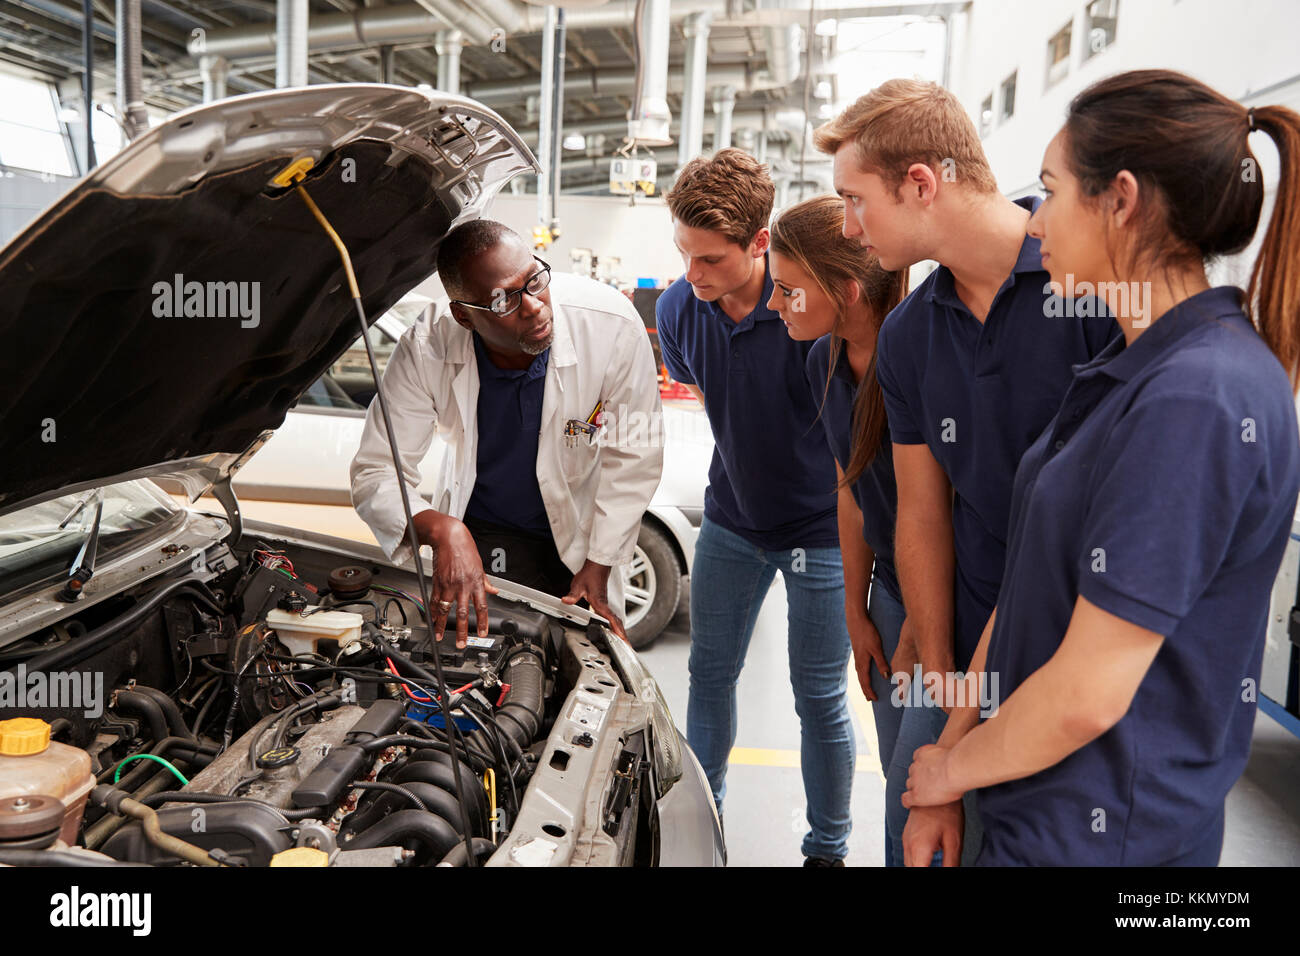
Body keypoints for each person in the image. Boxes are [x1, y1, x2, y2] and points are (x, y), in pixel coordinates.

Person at [902, 69, 1300, 866]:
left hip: (1105, 840)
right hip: (1035, 816)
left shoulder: (1197, 398)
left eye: (1050, 191)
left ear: (1120, 199)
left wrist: (951, 768)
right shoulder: (1131, 364)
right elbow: (1027, 595)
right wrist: (950, 760)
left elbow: (1087, 692)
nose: (1037, 222)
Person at [814, 78, 1119, 864]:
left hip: (1081, 639)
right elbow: (919, 513)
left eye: (855, 200)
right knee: (911, 836)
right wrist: (946, 681)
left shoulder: (1088, 291)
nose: (849, 227)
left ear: (921, 183)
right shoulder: (911, 335)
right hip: (967, 633)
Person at [656, 149, 854, 866]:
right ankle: (701, 832)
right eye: (684, 253)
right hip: (732, 522)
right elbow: (711, 393)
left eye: (709, 259)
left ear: (760, 243)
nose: (692, 273)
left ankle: (827, 849)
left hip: (821, 534)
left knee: (819, 697)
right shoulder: (681, 308)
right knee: (708, 676)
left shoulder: (810, 312)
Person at [350, 219, 663, 647]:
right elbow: (376, 471)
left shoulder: (610, 325)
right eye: (503, 302)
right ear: (463, 315)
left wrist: (601, 562)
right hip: (474, 534)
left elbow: (635, 455)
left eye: (534, 280)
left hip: (575, 543)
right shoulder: (428, 346)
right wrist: (442, 530)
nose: (533, 306)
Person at [766, 194, 910, 865]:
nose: (774, 305)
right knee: (897, 779)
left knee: (924, 791)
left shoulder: (918, 359)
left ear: (846, 290)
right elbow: (850, 493)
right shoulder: (820, 358)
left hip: (953, 601)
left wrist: (927, 626)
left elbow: (942, 514)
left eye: (787, 291)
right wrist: (858, 610)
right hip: (889, 593)